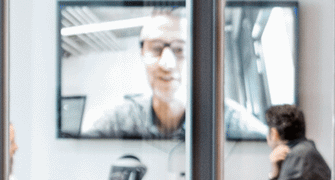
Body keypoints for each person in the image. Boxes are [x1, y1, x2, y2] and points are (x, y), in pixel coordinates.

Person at [80, 9, 267, 141]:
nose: (167, 64)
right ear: (142, 54)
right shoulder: (119, 119)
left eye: (179, 49)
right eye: (156, 49)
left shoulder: (227, 118)